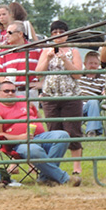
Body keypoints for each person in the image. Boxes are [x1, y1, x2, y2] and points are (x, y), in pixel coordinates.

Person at [0, 81, 73, 185]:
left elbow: (38, 117)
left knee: (63, 135)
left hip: (39, 137)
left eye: (13, 91)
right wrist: (20, 137)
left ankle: (45, 178)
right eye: (6, 91)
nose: (10, 93)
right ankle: (64, 178)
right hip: (17, 144)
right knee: (33, 149)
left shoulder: (24, 100)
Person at [36, 20, 84, 185]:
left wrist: (65, 59)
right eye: (54, 33)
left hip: (71, 96)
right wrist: (48, 58)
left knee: (73, 131)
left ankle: (76, 168)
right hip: (50, 96)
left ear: (67, 34)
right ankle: (52, 169)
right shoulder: (46, 51)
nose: (57, 36)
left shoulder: (73, 51)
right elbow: (38, 73)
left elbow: (78, 74)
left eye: (60, 32)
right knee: (53, 132)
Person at [0, 22, 41, 96]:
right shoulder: (4, 52)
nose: (6, 35)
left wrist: (41, 83)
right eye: (6, 33)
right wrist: (6, 84)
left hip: (30, 91)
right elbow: (0, 74)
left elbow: (49, 67)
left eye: (10, 33)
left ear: (20, 34)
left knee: (31, 108)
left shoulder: (35, 50)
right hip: (12, 92)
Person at [79, 51, 106, 138]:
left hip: (93, 106)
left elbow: (105, 91)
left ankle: (91, 131)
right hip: (77, 106)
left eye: (95, 63)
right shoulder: (79, 76)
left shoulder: (103, 78)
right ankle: (79, 131)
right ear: (85, 64)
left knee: (93, 101)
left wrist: (105, 92)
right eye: (90, 63)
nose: (93, 66)